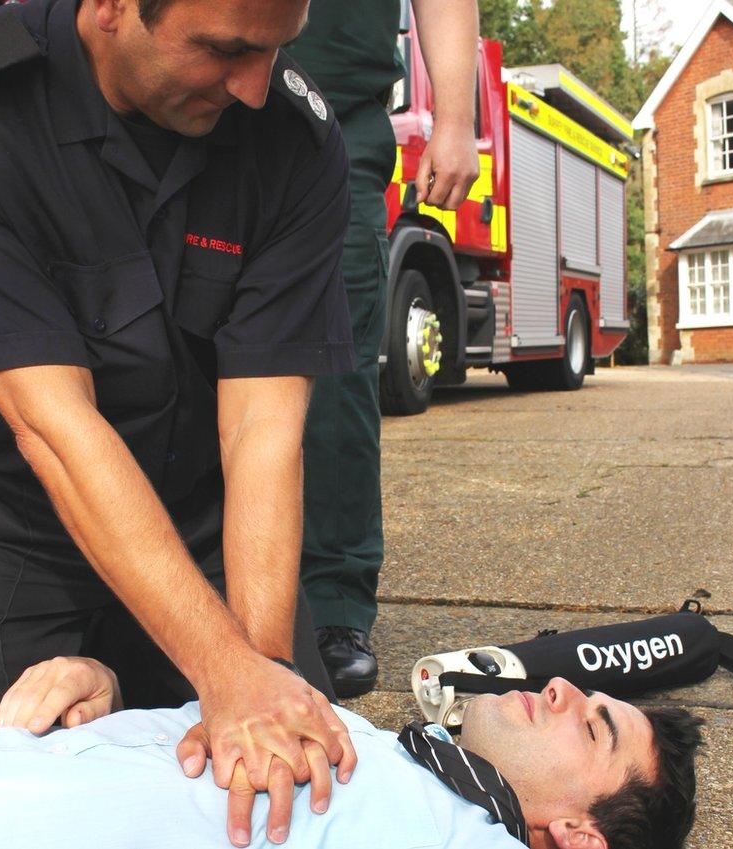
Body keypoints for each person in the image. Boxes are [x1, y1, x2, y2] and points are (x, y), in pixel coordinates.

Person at [0, 0, 359, 837]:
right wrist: (218, 673)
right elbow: (53, 428)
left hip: (206, 520)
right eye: (224, 51)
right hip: (11, 522)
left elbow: (262, 433)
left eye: (274, 51)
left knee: (306, 789)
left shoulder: (294, 137)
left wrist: (255, 673)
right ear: (110, 7)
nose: (255, 89)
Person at [0, 656, 705, 849]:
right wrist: (101, 691)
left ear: (578, 834)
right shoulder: (385, 747)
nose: (563, 685)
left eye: (594, 725)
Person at [286, 0, 480, 697]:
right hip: (182, 108)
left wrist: (456, 120)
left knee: (335, 387)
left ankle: (334, 606)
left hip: (332, 129)